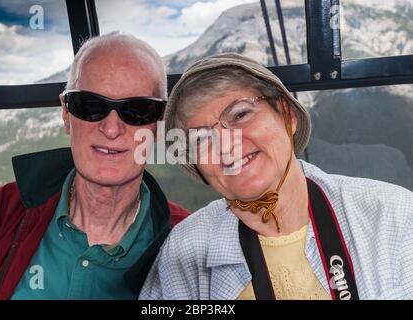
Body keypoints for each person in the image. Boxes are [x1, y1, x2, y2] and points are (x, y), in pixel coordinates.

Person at [140, 53, 413, 300]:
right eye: (201, 138)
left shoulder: (393, 217)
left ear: (287, 115)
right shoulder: (184, 252)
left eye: (241, 114)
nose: (226, 145)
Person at [0, 32, 189, 300]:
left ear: (160, 124)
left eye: (138, 110)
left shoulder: (187, 245)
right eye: (91, 105)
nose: (111, 128)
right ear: (66, 114)